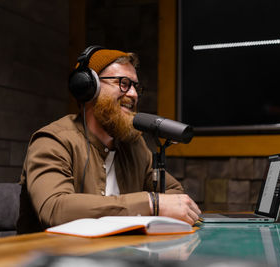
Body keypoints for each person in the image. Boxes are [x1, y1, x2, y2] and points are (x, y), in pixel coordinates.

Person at [17, 46, 201, 234]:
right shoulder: (53, 140)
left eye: (135, 86)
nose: (133, 94)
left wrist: (162, 204)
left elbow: (174, 193)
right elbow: (55, 208)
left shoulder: (134, 145)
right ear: (88, 87)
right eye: (123, 83)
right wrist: (150, 203)